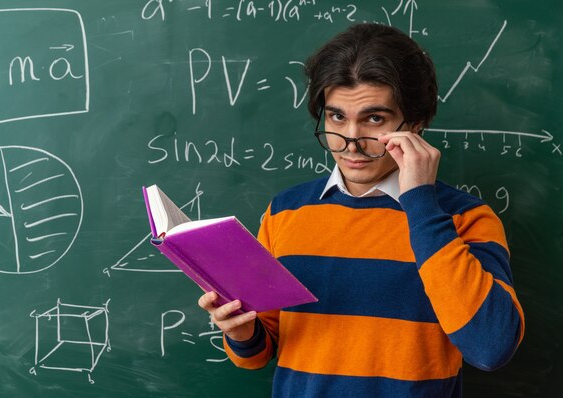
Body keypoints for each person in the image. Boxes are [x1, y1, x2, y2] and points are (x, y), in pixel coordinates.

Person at [198, 23, 524, 397]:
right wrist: (242, 332)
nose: (350, 142)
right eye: (337, 117)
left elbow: (491, 348)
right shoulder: (284, 213)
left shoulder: (465, 219)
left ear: (414, 124)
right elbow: (260, 351)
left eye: (373, 119)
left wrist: (420, 203)